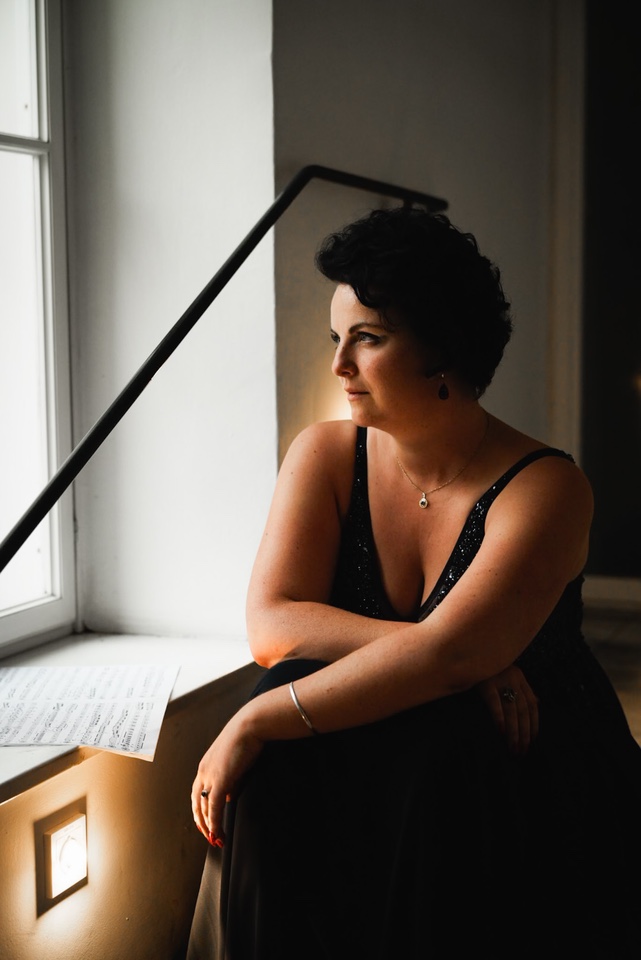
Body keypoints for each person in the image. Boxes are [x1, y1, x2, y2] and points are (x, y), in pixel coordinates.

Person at [187, 207, 641, 959]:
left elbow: (449, 659)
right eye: (336, 338)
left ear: (442, 350)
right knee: (293, 715)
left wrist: (255, 720)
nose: (340, 365)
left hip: (522, 764)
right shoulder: (325, 455)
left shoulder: (547, 488)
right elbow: (272, 625)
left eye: (368, 338)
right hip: (395, 742)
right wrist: (459, 654)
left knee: (424, 742)